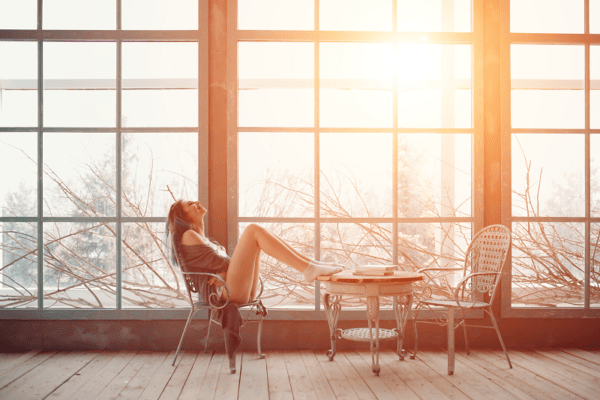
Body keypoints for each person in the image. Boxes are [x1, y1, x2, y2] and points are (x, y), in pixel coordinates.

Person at [166, 199, 344, 305]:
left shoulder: (203, 238)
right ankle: (309, 269)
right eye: (190, 204)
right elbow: (224, 263)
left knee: (260, 237)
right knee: (253, 230)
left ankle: (312, 265)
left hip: (232, 290)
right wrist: (224, 269)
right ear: (186, 216)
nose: (197, 202)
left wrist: (224, 269)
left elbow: (222, 264)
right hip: (222, 295)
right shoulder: (189, 235)